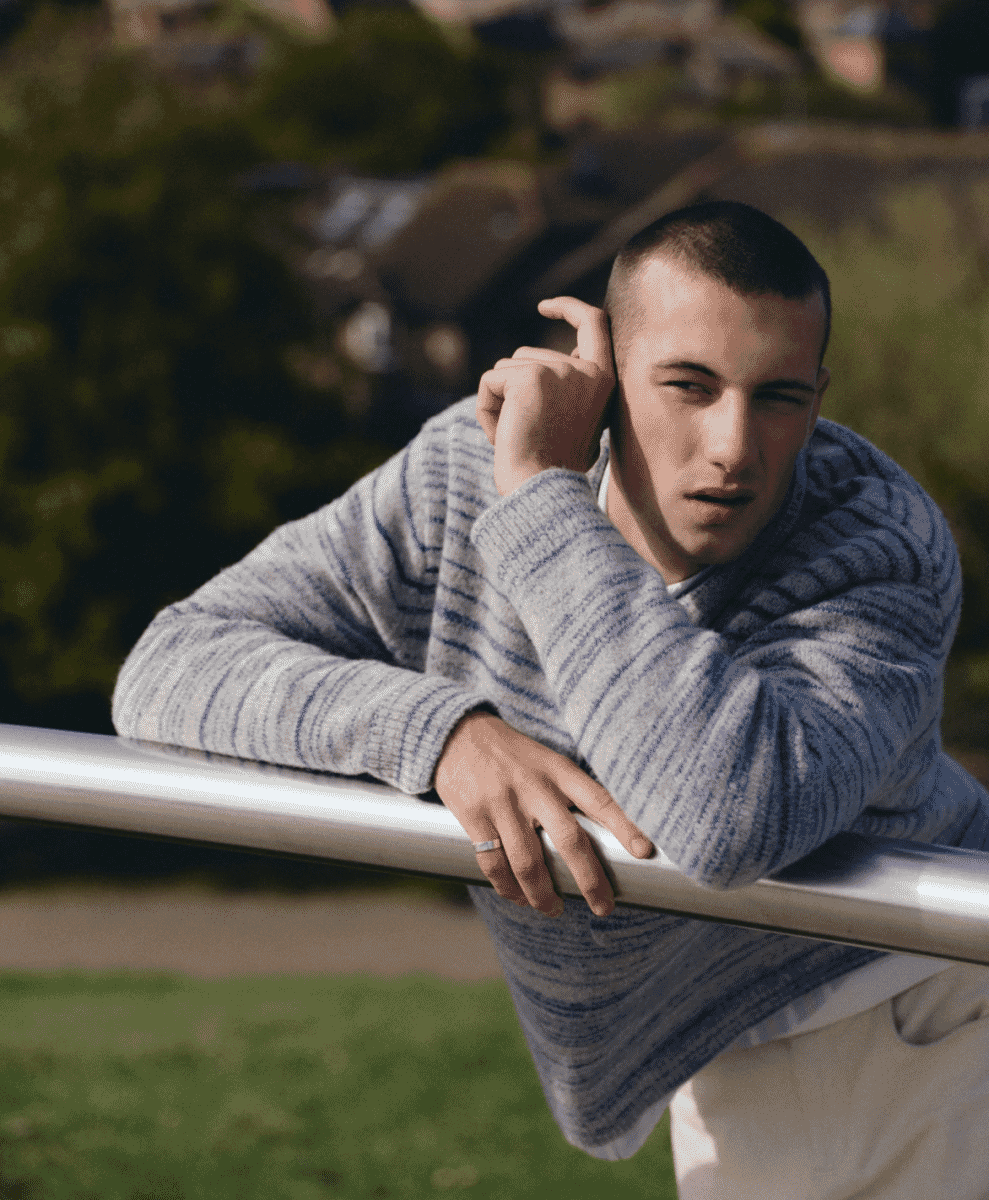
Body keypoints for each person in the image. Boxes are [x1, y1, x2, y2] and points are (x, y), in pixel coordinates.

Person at [113, 201, 989, 1198]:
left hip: (912, 1006)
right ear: (602, 373)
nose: (732, 446)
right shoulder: (463, 468)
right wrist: (444, 734)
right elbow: (171, 666)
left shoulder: (875, 545)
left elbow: (725, 817)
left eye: (778, 397)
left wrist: (539, 495)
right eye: (688, 386)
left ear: (819, 396)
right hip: (742, 1039)